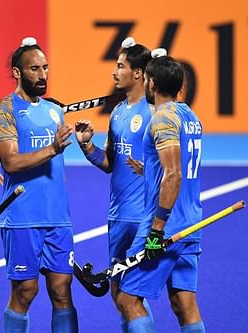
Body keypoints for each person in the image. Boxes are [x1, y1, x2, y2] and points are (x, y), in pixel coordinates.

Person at [0, 37, 78, 333]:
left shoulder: (54, 110)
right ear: (17, 72)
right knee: (25, 292)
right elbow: (11, 162)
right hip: (23, 218)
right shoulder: (4, 110)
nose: (42, 75)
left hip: (58, 218)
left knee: (62, 291)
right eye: (34, 69)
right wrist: (52, 148)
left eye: (45, 68)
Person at [116, 51, 204, 333]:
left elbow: (175, 174)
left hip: (166, 226)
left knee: (128, 298)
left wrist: (156, 230)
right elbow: (179, 168)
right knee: (184, 304)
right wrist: (150, 171)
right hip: (192, 224)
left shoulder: (162, 119)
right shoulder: (191, 117)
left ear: (151, 84)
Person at [74, 37, 154, 332]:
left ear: (138, 73)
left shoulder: (155, 112)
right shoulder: (118, 112)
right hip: (118, 216)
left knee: (129, 297)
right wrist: (86, 147)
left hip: (142, 217)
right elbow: (110, 163)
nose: (114, 72)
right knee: (121, 295)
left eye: (120, 66)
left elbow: (171, 167)